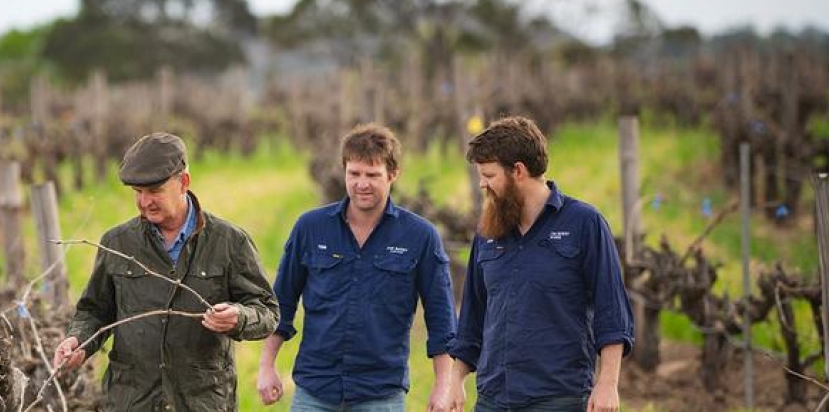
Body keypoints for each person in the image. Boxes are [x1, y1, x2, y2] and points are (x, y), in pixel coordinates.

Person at [52, 132, 279, 411]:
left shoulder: (229, 242)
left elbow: (267, 311)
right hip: (131, 403)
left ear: (183, 182)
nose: (145, 201)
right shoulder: (117, 242)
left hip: (202, 403)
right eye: (138, 192)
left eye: (155, 191)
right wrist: (79, 341)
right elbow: (95, 311)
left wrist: (239, 317)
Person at [257, 123, 458, 411]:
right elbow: (281, 302)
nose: (362, 184)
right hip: (315, 390)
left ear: (393, 175)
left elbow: (442, 318)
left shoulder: (421, 236)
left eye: (372, 175)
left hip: (381, 394)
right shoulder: (310, 228)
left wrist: (443, 386)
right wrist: (267, 366)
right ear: (344, 171)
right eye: (354, 174)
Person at [446, 116, 635, 412]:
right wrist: (454, 380)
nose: (482, 184)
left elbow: (611, 311)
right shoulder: (487, 232)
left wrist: (607, 383)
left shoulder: (585, 224)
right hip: (494, 399)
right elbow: (473, 314)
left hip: (559, 399)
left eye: (489, 175)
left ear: (518, 171)